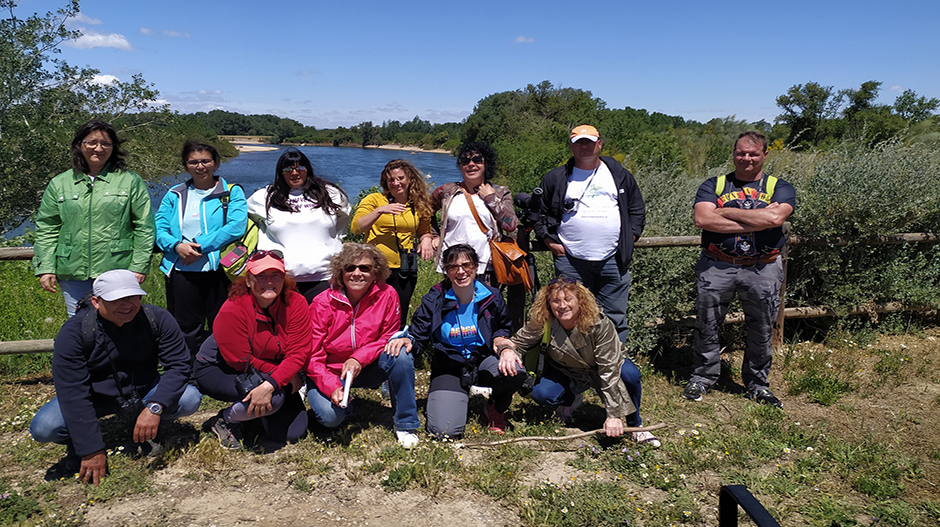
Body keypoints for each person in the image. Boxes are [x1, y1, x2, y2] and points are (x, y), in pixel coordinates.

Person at [29, 270, 201, 486]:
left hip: (144, 390)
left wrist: (156, 407)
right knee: (44, 428)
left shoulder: (157, 319)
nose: (127, 305)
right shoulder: (74, 333)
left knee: (189, 398)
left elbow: (178, 366)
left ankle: (143, 427)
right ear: (96, 301)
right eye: (117, 299)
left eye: (133, 297)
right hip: (95, 398)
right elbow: (73, 392)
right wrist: (90, 449)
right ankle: (77, 440)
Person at [684, 131, 796, 408]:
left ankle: (758, 385)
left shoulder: (779, 186)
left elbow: (776, 216)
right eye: (741, 153)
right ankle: (703, 377)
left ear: (765, 155)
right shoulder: (715, 184)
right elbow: (702, 219)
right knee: (707, 324)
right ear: (733, 154)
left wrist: (723, 212)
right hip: (717, 265)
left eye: (753, 153)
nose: (746, 158)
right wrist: (759, 221)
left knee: (761, 328)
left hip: (764, 268)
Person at [502, 276, 660, 446]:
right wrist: (507, 351)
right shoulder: (543, 321)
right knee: (542, 393)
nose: (562, 306)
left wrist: (613, 414)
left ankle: (635, 424)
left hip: (604, 367)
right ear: (548, 303)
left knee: (630, 374)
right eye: (556, 301)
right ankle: (571, 400)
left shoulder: (599, 323)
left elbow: (608, 369)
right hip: (569, 372)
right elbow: (517, 342)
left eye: (568, 299)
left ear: (580, 301)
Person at [387, 244, 524, 437]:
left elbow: (503, 326)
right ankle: (455, 395)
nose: (460, 271)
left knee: (515, 371)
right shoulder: (434, 299)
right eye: (453, 267)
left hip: (483, 360)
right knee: (444, 430)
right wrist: (409, 341)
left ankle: (495, 407)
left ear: (476, 267)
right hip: (449, 365)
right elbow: (418, 334)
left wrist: (503, 345)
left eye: (466, 265)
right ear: (446, 271)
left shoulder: (492, 297)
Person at [534, 124, 646, 342]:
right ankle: (575, 366)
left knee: (614, 317)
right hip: (570, 261)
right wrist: (548, 239)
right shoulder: (555, 178)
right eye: (579, 142)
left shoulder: (619, 175)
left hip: (614, 259)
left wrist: (629, 238)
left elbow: (637, 210)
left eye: (589, 142)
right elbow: (538, 212)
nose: (584, 146)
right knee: (570, 315)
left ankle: (612, 366)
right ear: (571, 146)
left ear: (599, 144)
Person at [33, 120, 156, 317]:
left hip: (118, 269)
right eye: (91, 142)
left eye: (105, 143)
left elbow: (145, 227)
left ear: (113, 148)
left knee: (120, 323)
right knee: (79, 325)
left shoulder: (130, 181)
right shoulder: (60, 183)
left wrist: (139, 267)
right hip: (72, 271)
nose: (98, 148)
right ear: (79, 145)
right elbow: (47, 227)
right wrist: (45, 267)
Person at [306, 243, 420, 448]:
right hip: (331, 371)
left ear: (376, 272)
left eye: (364, 268)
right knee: (330, 418)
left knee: (401, 353)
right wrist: (331, 386)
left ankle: (405, 423)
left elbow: (388, 336)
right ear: (340, 272)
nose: (357, 273)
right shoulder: (322, 302)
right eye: (350, 268)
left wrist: (358, 358)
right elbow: (313, 355)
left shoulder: (388, 294)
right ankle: (340, 403)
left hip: (369, 366)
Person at [194, 250, 311, 449]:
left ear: (284, 278)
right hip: (220, 368)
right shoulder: (233, 308)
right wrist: (278, 379)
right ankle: (225, 419)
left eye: (276, 275)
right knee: (274, 397)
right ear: (248, 281)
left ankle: (252, 416)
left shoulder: (297, 303)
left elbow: (299, 352)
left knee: (293, 432)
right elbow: (240, 360)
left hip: (269, 367)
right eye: (260, 276)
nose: (269, 281)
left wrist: (275, 378)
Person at [155, 141, 247, 359]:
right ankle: (190, 373)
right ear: (186, 166)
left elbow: (236, 226)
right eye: (193, 162)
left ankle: (222, 366)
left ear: (215, 163)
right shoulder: (174, 195)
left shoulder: (231, 193)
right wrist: (177, 246)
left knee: (223, 322)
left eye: (205, 161)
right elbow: (160, 228)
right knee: (186, 326)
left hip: (220, 271)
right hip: (181, 271)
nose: (200, 166)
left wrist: (198, 246)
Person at [246, 148, 350, 302]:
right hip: (281, 279)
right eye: (288, 169)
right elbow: (240, 217)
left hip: (326, 277)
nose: (294, 173)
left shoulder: (330, 193)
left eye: (300, 168)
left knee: (322, 324)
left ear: (307, 169)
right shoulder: (265, 196)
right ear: (281, 172)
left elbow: (343, 221)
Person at [351, 159, 435, 327]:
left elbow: (425, 230)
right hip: (375, 267)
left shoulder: (418, 204)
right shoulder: (375, 200)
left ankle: (396, 347)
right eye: (391, 180)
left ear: (410, 179)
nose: (396, 183)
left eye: (400, 178)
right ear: (386, 182)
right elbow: (356, 227)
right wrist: (379, 211)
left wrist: (426, 240)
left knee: (399, 311)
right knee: (371, 312)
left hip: (405, 267)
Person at [430, 142, 518, 285]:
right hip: (453, 266)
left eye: (477, 160)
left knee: (485, 306)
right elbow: (424, 210)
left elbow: (511, 224)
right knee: (454, 306)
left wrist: (490, 198)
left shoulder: (500, 192)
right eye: (465, 161)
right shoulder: (447, 191)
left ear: (486, 164)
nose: (471, 164)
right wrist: (433, 235)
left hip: (486, 267)